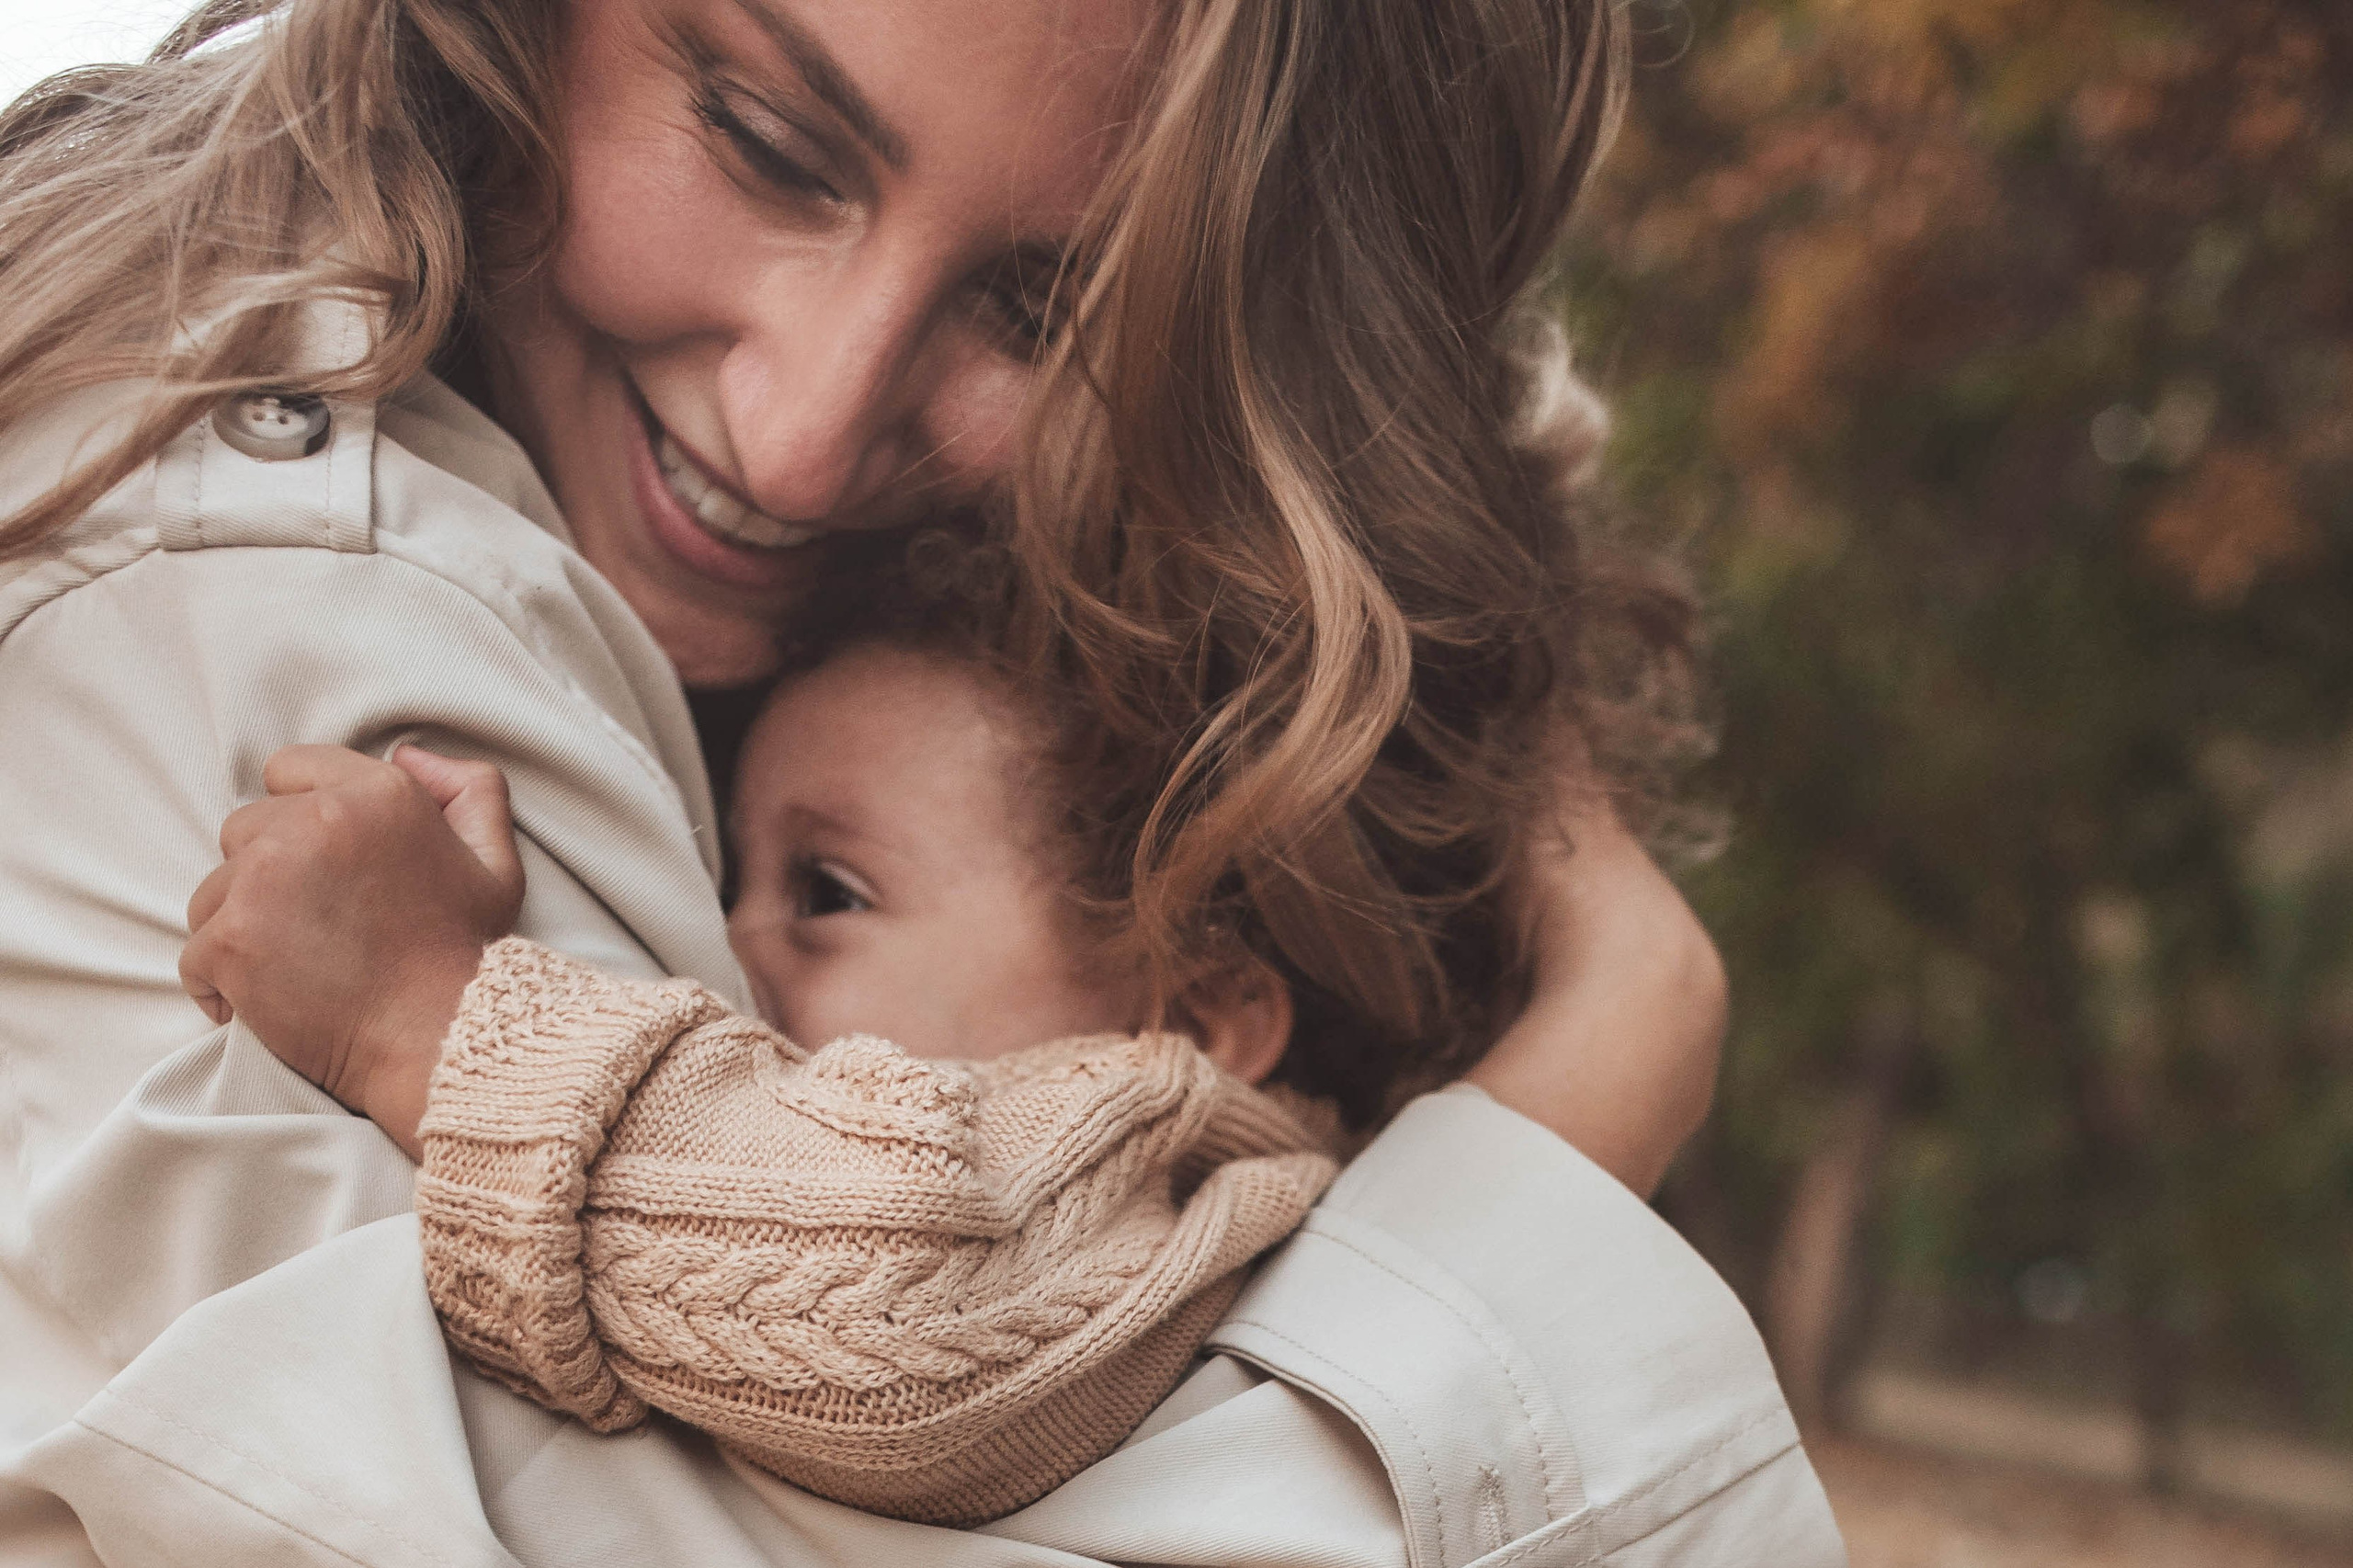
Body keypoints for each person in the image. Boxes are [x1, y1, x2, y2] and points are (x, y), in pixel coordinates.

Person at [0, 0, 1842, 1563]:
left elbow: (890, 1290)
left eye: (1043, 309)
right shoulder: (244, 608)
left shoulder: (1116, 1134)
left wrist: (436, 1023)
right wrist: (1578, 1099)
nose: (800, 444)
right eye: (764, 142)